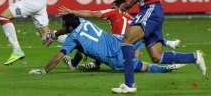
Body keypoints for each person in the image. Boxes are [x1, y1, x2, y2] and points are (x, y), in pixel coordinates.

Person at [28, 14, 184, 75]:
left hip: (113, 58)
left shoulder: (72, 38)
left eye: (64, 25)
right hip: (119, 42)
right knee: (140, 40)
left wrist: (44, 70)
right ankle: (168, 55)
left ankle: (166, 68)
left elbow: (57, 57)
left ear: (69, 27)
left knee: (142, 67)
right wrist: (54, 34)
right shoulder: (83, 21)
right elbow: (65, 28)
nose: (62, 26)